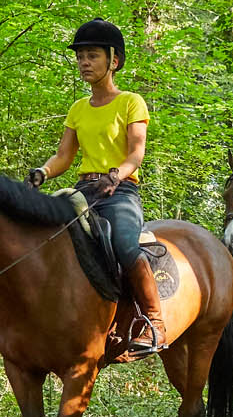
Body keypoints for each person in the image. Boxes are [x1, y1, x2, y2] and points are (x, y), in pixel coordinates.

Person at [27, 19, 165, 357]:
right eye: (80, 57)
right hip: (83, 191)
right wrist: (43, 173)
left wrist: (117, 175)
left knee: (123, 243)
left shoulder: (131, 102)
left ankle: (154, 320)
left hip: (119, 191)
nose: (84, 63)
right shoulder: (77, 109)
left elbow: (136, 153)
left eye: (91, 56)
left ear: (113, 61)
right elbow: (64, 156)